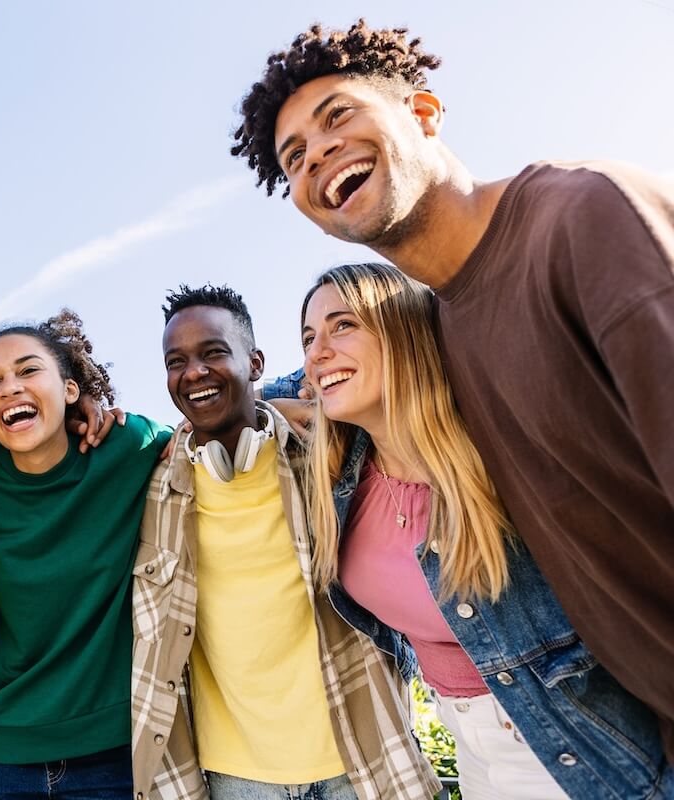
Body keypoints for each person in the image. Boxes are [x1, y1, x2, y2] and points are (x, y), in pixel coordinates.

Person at [233, 20, 674, 765]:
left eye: (338, 115)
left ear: (425, 112)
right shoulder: (439, 332)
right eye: (295, 156)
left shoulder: (583, 221)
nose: (318, 155)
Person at [292, 261, 674, 798]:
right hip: (465, 741)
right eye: (308, 337)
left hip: (563, 734)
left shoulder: (498, 454)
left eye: (343, 325)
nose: (316, 353)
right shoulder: (339, 472)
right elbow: (245, 389)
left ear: (402, 330)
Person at [132, 284, 438, 800]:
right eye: (176, 361)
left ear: (254, 362)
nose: (194, 373)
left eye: (213, 353)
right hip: (235, 778)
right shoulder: (153, 483)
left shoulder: (327, 451)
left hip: (360, 759)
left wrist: (281, 401)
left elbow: (372, 375)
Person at [0, 309, 170, 800]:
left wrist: (280, 403)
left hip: (113, 757)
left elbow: (212, 429)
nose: (10, 387)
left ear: (71, 391)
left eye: (29, 371)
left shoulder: (126, 446)